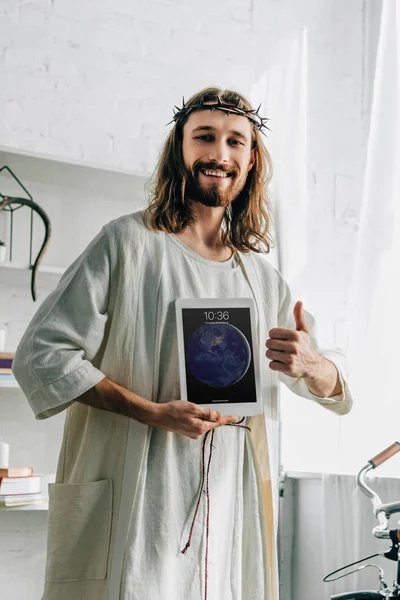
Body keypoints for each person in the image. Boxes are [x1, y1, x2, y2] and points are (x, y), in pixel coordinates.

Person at [13, 87, 352, 600]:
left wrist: (311, 364)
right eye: (205, 137)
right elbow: (43, 354)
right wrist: (152, 411)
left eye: (235, 141)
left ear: (251, 159)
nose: (220, 153)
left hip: (228, 499)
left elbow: (331, 387)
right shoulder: (127, 243)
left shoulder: (261, 279)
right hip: (139, 495)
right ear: (180, 150)